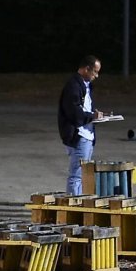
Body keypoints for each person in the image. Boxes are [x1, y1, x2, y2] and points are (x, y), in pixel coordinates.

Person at [58, 55, 103, 195]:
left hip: (87, 135)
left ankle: (78, 204)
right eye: (95, 72)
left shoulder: (85, 85)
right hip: (79, 135)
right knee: (76, 175)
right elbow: (74, 112)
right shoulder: (73, 85)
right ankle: (73, 207)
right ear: (86, 69)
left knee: (83, 175)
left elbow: (83, 107)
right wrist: (91, 116)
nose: (96, 75)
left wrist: (92, 114)